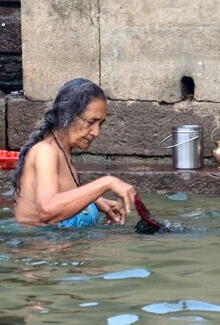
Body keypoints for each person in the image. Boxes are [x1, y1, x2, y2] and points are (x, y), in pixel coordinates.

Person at [12, 78, 137, 227]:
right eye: (91, 122)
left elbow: (61, 196)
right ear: (67, 115)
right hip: (39, 247)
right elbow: (47, 211)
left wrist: (95, 201)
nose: (96, 132)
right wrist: (106, 183)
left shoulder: (63, 151)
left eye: (101, 124)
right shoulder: (45, 152)